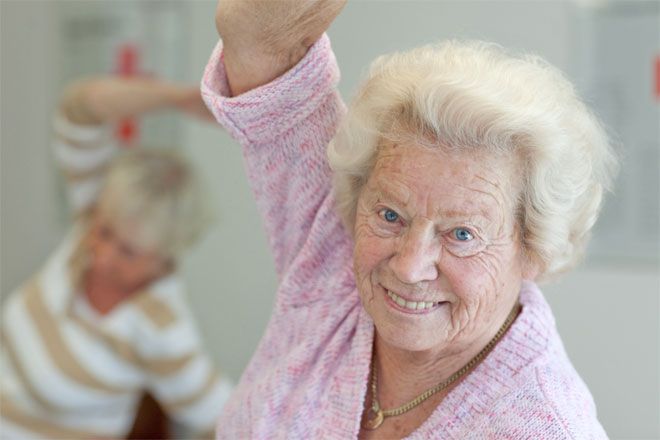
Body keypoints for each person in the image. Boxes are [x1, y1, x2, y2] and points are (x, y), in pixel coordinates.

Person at [202, 1, 618, 439]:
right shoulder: (333, 258)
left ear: (533, 248)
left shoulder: (543, 429)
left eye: (461, 234)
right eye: (390, 215)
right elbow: (266, 55)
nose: (407, 266)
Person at [0, 76, 232, 439]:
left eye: (128, 251)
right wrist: (176, 98)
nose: (102, 255)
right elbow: (78, 111)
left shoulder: (162, 327)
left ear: (164, 256)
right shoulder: (90, 217)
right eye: (105, 231)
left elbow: (226, 420)